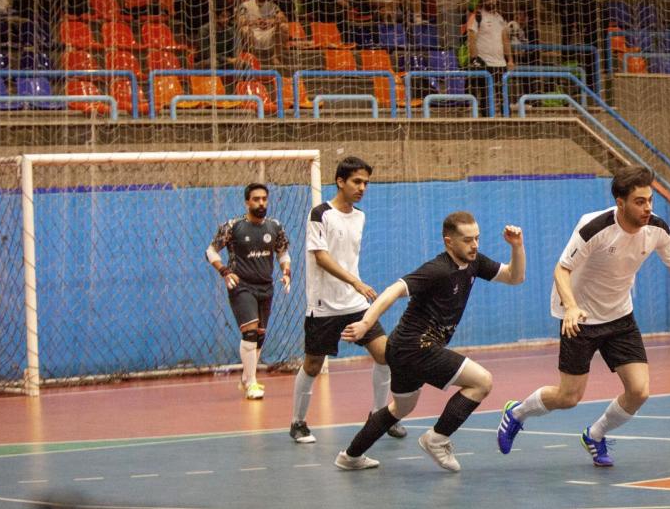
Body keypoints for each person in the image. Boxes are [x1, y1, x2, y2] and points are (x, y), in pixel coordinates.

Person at [496, 166, 670, 467]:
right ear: (620, 203)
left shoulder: (657, 228)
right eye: (639, 202)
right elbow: (561, 270)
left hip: (619, 315)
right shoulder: (593, 227)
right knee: (569, 397)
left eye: (650, 200)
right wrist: (571, 307)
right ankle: (516, 413)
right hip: (579, 318)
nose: (648, 208)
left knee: (639, 391)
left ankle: (595, 435)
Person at [335, 212, 525, 472]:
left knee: (401, 407)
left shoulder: (475, 262)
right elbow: (393, 290)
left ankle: (350, 456)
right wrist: (366, 324)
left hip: (401, 348)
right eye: (467, 240)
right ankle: (437, 439)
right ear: (449, 242)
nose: (474, 245)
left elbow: (515, 277)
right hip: (417, 345)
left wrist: (517, 247)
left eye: (477, 238)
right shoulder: (438, 269)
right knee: (482, 382)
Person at [290, 157, 405, 444]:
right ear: (340, 181)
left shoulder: (360, 216)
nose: (362, 187)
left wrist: (354, 287)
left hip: (355, 304)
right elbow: (321, 256)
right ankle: (298, 422)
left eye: (366, 183)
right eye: (357, 181)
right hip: (323, 306)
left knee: (386, 355)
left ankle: (379, 417)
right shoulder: (320, 214)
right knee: (313, 365)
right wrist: (355, 281)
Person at [205, 183, 291, 400]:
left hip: (266, 286)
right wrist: (224, 271)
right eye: (256, 199)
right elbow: (211, 251)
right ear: (247, 202)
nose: (261, 203)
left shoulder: (275, 227)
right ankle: (252, 382)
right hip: (241, 285)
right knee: (250, 332)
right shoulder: (232, 227)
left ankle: (246, 377)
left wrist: (286, 272)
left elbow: (283, 253)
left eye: (264, 199)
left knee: (259, 336)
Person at [467, 0, 514, 107]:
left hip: (500, 63)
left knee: (504, 98)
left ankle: (505, 116)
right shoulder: (477, 16)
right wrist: (474, 58)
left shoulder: (500, 18)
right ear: (484, 1)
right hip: (484, 62)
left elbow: (505, 40)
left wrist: (510, 60)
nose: (491, 2)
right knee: (486, 98)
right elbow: (471, 37)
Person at [235, 0, 289, 65]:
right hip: (253, 34)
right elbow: (239, 21)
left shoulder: (273, 6)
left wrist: (272, 21)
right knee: (245, 30)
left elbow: (283, 19)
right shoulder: (246, 5)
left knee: (284, 27)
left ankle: (276, 57)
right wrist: (254, 22)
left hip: (268, 34)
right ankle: (252, 58)